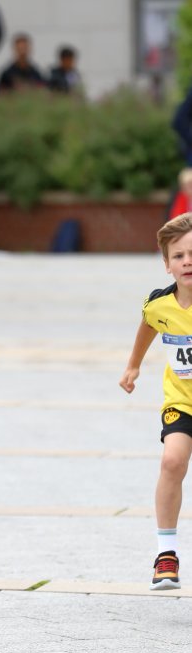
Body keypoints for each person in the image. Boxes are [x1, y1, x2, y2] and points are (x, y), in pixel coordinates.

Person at [118, 211, 192, 590]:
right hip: (182, 401)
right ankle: (166, 554)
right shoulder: (159, 304)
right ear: (167, 265)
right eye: (179, 256)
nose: (187, 261)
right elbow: (148, 324)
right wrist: (133, 365)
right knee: (172, 461)